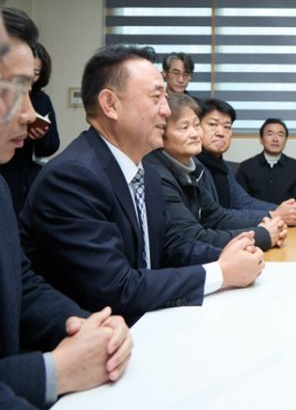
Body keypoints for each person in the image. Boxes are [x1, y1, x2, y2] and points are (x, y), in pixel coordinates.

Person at [20, 45, 265, 326]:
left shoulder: (145, 170)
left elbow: (170, 244)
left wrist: (230, 256)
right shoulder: (73, 177)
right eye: (156, 98)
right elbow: (117, 288)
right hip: (98, 335)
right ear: (110, 104)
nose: (166, 110)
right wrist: (221, 272)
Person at [0, 4, 131, 406]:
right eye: (11, 90)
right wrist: (52, 372)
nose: (29, 113)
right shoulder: (76, 173)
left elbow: (21, 284)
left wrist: (88, 327)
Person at [145, 93, 286, 250]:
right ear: (160, 133)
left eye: (196, 125)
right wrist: (262, 234)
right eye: (184, 127)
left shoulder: (194, 169)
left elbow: (216, 217)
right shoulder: (156, 175)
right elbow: (192, 238)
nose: (195, 134)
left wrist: (269, 222)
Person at [197, 98, 296, 226]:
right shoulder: (193, 167)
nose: (221, 133)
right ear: (196, 127)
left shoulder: (222, 166)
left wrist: (285, 210)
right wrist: (274, 215)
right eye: (213, 124)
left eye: (227, 127)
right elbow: (216, 217)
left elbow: (243, 201)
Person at [0, 42, 59, 215]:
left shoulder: (42, 99)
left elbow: (52, 144)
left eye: (35, 74)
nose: (29, 115)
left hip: (27, 176)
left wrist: (40, 137)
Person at [236, 118, 296, 206]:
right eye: (270, 134)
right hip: (255, 214)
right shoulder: (246, 167)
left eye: (280, 135)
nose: (275, 139)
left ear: (285, 140)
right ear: (261, 139)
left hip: (288, 214)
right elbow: (240, 201)